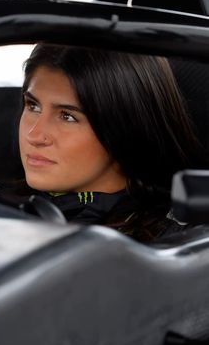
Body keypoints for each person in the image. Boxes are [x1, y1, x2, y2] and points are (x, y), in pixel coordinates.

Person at [18, 43, 205, 242]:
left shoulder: (166, 248)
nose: (34, 135)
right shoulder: (6, 207)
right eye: (33, 105)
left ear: (124, 127)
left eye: (67, 116)